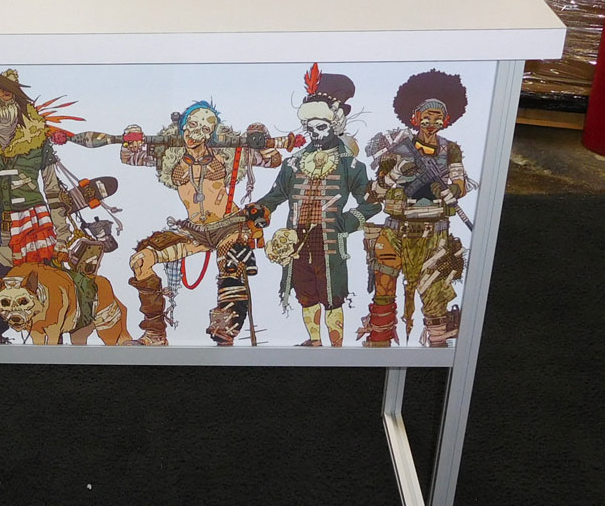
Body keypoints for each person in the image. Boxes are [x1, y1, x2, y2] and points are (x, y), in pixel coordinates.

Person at [63, 101, 302, 345]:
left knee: (232, 266)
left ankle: (225, 333)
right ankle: (156, 333)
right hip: (194, 231)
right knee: (141, 260)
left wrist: (260, 138)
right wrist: (130, 138)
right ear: (183, 125)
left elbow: (273, 160)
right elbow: (130, 158)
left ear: (212, 133)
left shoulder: (230, 153)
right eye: (192, 125)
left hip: (229, 227)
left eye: (205, 129)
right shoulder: (168, 153)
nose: (195, 133)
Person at [245, 67, 378, 347]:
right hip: (296, 239)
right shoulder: (293, 163)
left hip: (329, 239)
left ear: (334, 125)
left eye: (322, 128)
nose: (316, 134)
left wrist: (348, 221)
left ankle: (336, 348)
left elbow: (372, 203)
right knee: (305, 293)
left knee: (332, 295)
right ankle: (314, 341)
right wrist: (259, 209)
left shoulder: (350, 165)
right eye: (311, 128)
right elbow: (276, 195)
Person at [0, 70, 76, 343]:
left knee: (38, 282)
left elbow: (52, 187)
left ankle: (46, 339)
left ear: (16, 98)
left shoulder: (38, 138)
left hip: (31, 221)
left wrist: (62, 233)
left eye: (5, 94)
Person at [358, 69, 474, 348]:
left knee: (436, 297)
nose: (431, 122)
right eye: (426, 116)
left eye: (438, 117)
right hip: (395, 232)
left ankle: (436, 351)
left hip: (435, 235)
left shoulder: (451, 150)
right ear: (415, 118)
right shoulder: (395, 149)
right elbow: (373, 194)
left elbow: (460, 181)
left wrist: (451, 191)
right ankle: (378, 346)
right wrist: (395, 173)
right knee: (384, 291)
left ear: (446, 120)